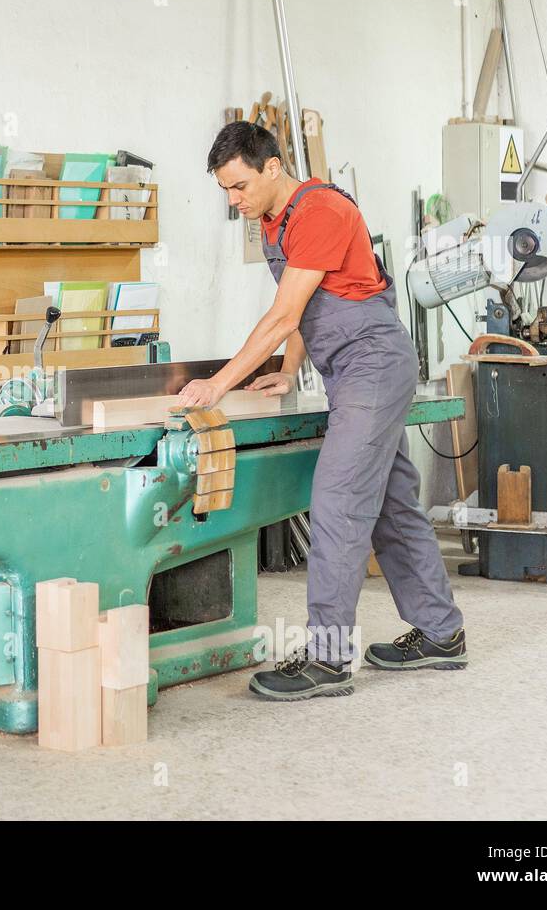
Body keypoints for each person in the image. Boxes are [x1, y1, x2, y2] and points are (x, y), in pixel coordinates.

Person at [178, 122, 466, 701]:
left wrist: (218, 384)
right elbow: (305, 309)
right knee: (388, 506)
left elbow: (284, 313)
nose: (233, 201)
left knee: (336, 500)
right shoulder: (271, 224)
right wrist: (289, 369)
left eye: (238, 187)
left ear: (272, 167)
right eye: (225, 192)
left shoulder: (322, 211)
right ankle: (441, 632)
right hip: (346, 372)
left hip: (374, 364)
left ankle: (329, 658)